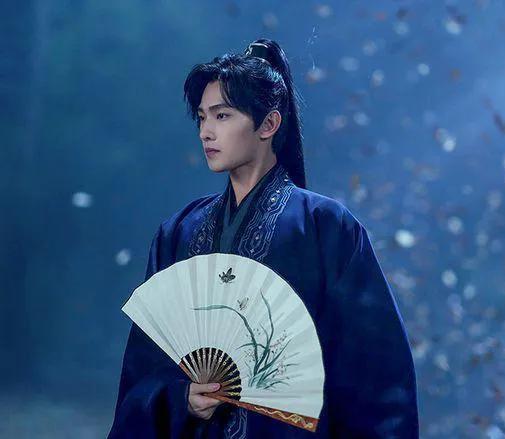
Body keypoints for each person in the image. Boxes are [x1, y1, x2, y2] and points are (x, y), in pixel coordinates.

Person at [108, 38, 419, 438]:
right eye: (201, 118)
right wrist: (181, 398)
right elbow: (142, 372)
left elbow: (376, 376)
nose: (206, 132)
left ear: (268, 125)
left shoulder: (325, 228)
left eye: (222, 116)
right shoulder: (178, 232)